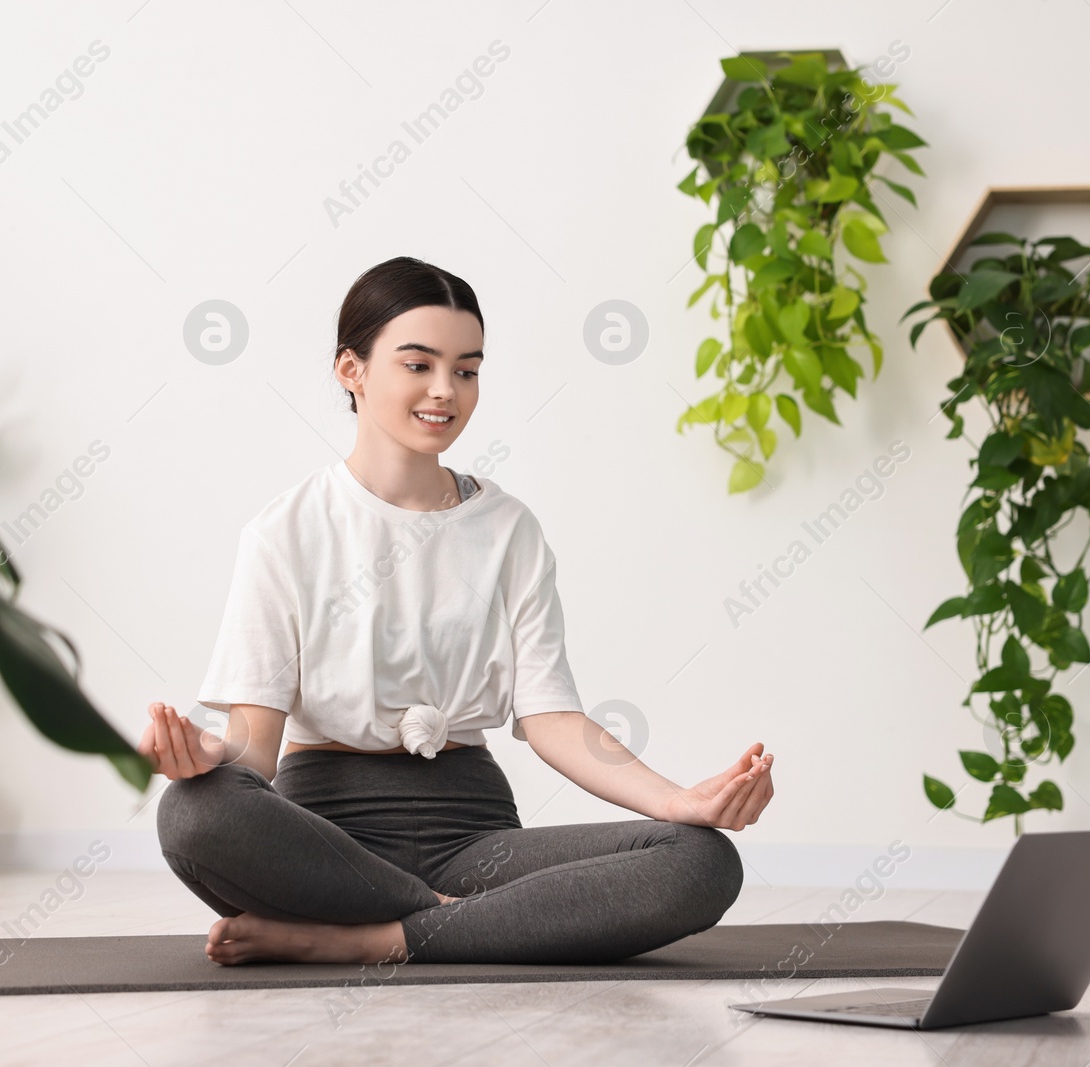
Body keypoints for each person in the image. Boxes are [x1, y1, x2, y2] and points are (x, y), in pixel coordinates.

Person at [142, 256, 774, 968]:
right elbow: (254, 751)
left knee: (701, 860)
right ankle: (465, 924)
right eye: (419, 364)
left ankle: (375, 937)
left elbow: (552, 720)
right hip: (323, 839)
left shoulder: (509, 527)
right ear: (352, 369)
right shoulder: (284, 530)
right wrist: (205, 757)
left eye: (467, 370)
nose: (446, 391)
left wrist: (679, 799)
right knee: (194, 812)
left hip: (475, 834)